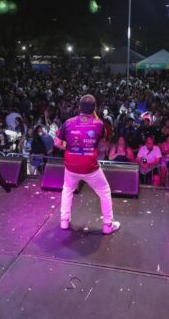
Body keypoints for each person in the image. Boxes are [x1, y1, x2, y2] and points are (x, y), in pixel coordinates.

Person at [54, 94, 120, 235]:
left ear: (79, 107)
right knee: (104, 191)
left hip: (71, 165)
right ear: (95, 108)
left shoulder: (68, 122)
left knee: (67, 189)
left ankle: (64, 221)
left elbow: (57, 143)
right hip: (90, 167)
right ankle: (108, 225)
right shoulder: (99, 124)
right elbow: (102, 145)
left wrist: (70, 147)